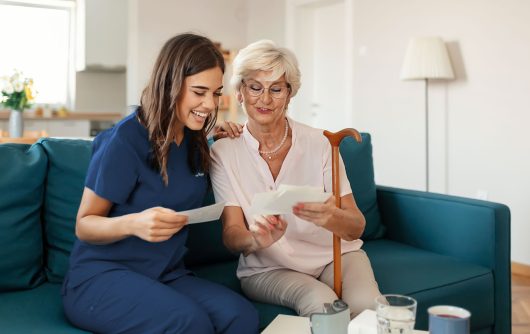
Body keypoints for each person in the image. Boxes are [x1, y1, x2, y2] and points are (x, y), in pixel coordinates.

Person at [62, 33, 259, 334]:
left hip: (165, 274)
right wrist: (134, 224)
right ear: (170, 85)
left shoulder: (195, 142)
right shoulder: (125, 141)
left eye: (216, 93)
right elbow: (84, 225)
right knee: (189, 323)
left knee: (241, 317)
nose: (209, 104)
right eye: (199, 92)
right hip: (101, 278)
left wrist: (215, 138)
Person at [210, 40, 382, 318]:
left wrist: (330, 217)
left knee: (370, 310)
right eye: (255, 87)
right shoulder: (223, 151)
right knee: (325, 308)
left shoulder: (322, 143)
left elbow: (355, 228)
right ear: (240, 92)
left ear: (290, 94)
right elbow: (231, 235)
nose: (265, 99)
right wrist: (256, 239)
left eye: (276, 89)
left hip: (336, 256)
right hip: (268, 268)